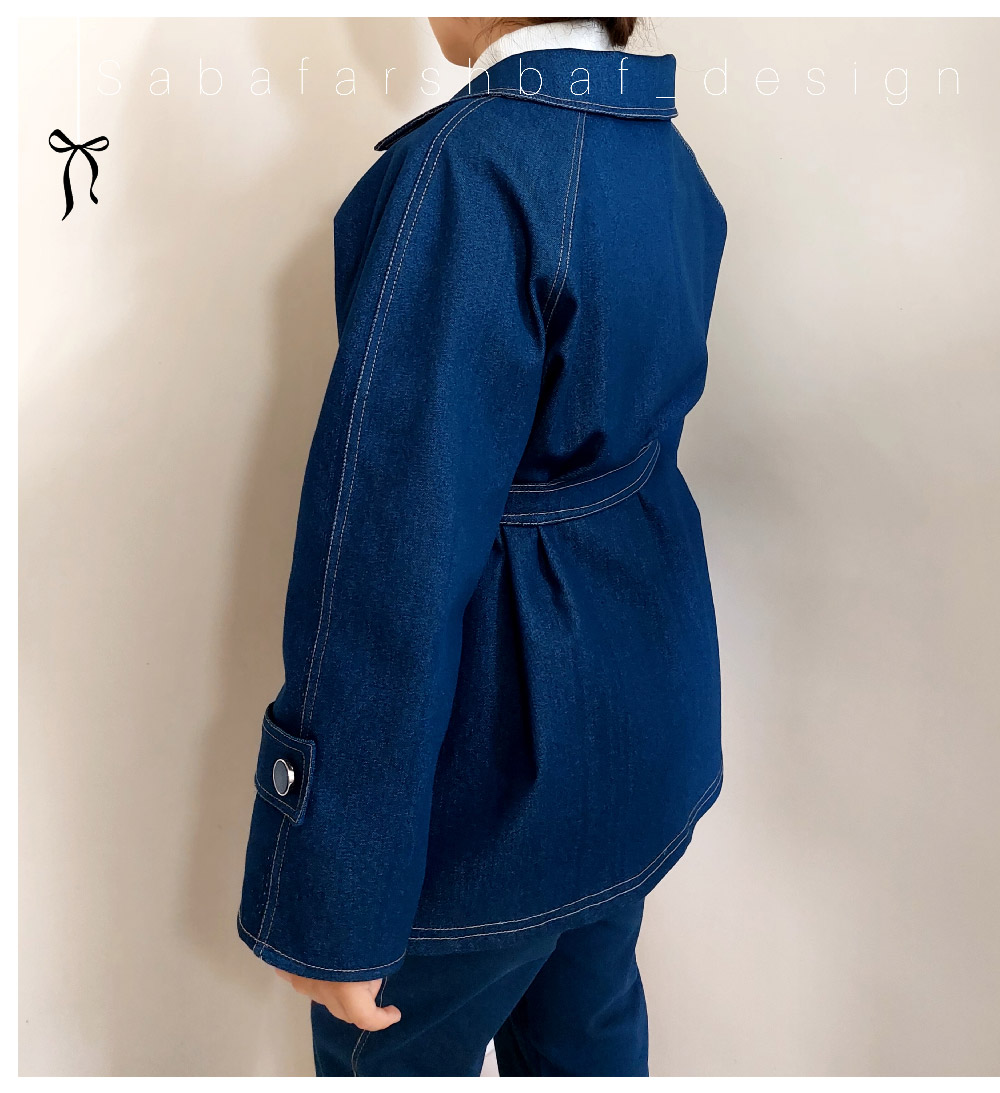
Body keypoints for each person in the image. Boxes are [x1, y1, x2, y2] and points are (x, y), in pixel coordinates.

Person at [236, 15, 728, 1077]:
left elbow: (385, 562)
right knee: (589, 1043)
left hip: (488, 779)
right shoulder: (663, 152)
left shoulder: (468, 170)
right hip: (636, 737)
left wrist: (335, 893)